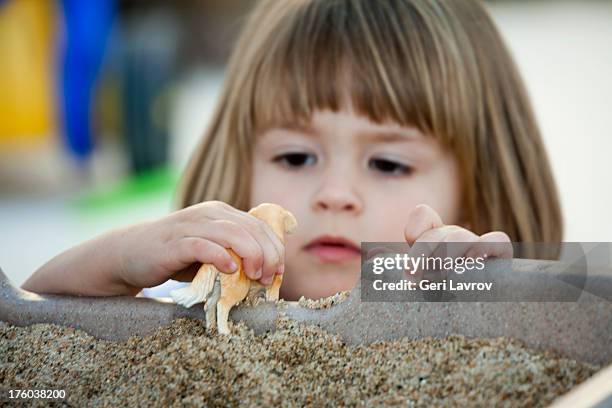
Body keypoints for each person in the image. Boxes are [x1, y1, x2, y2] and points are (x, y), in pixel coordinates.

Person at [21, 0, 562, 301]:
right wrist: (114, 260)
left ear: (484, 187)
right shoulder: (203, 328)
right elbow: (24, 341)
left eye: (389, 163)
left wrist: (492, 301)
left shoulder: (481, 311)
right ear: (242, 166)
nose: (333, 194)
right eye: (297, 157)